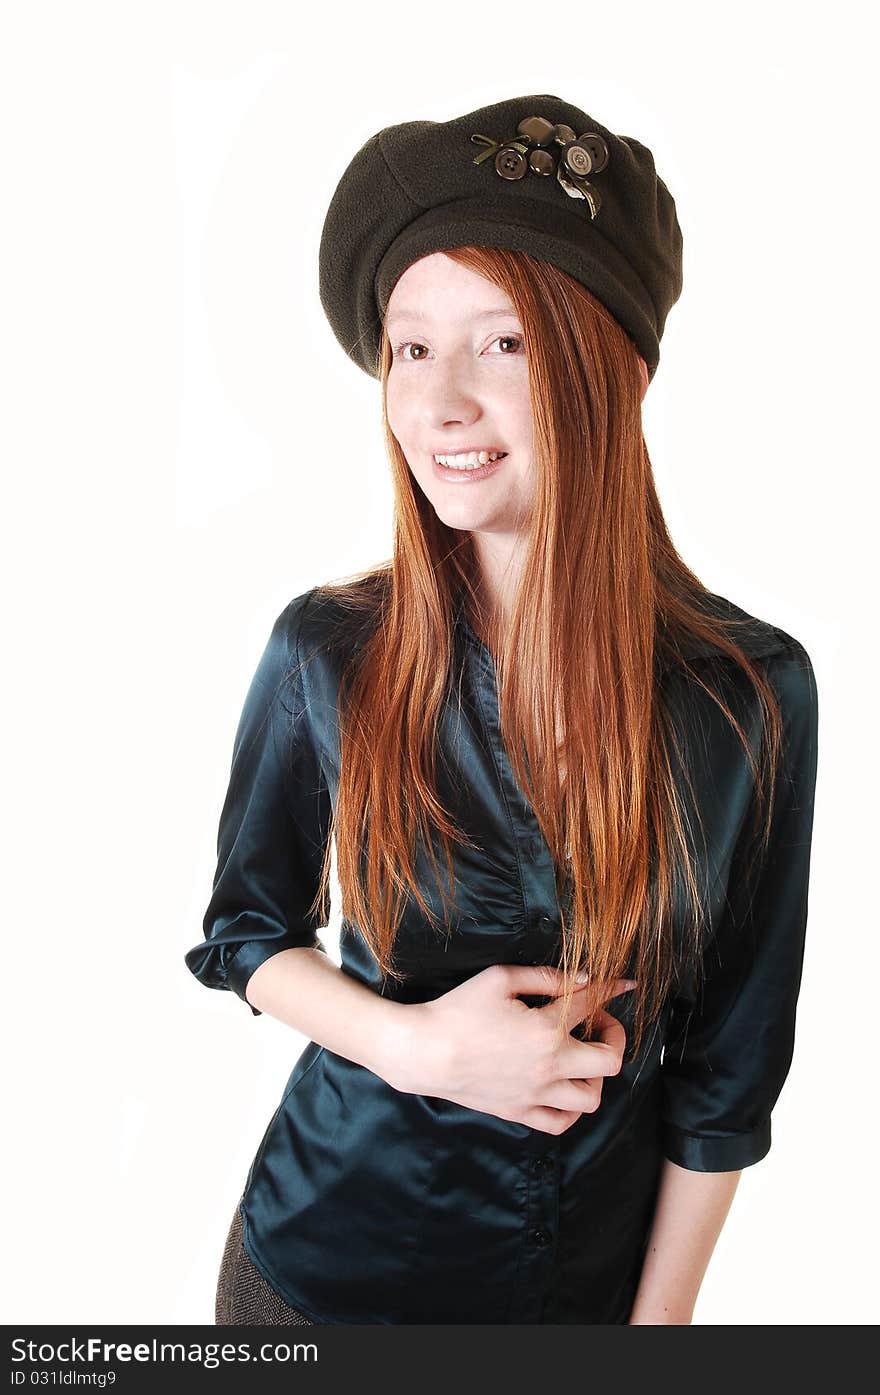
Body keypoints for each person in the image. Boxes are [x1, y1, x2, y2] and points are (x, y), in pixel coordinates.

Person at [184, 93, 819, 1326]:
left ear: (612, 369)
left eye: (504, 343)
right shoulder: (330, 650)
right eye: (411, 349)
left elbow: (729, 1069)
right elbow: (244, 933)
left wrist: (659, 1329)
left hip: (584, 1294)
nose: (441, 403)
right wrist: (417, 1048)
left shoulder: (750, 692)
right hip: (314, 1274)